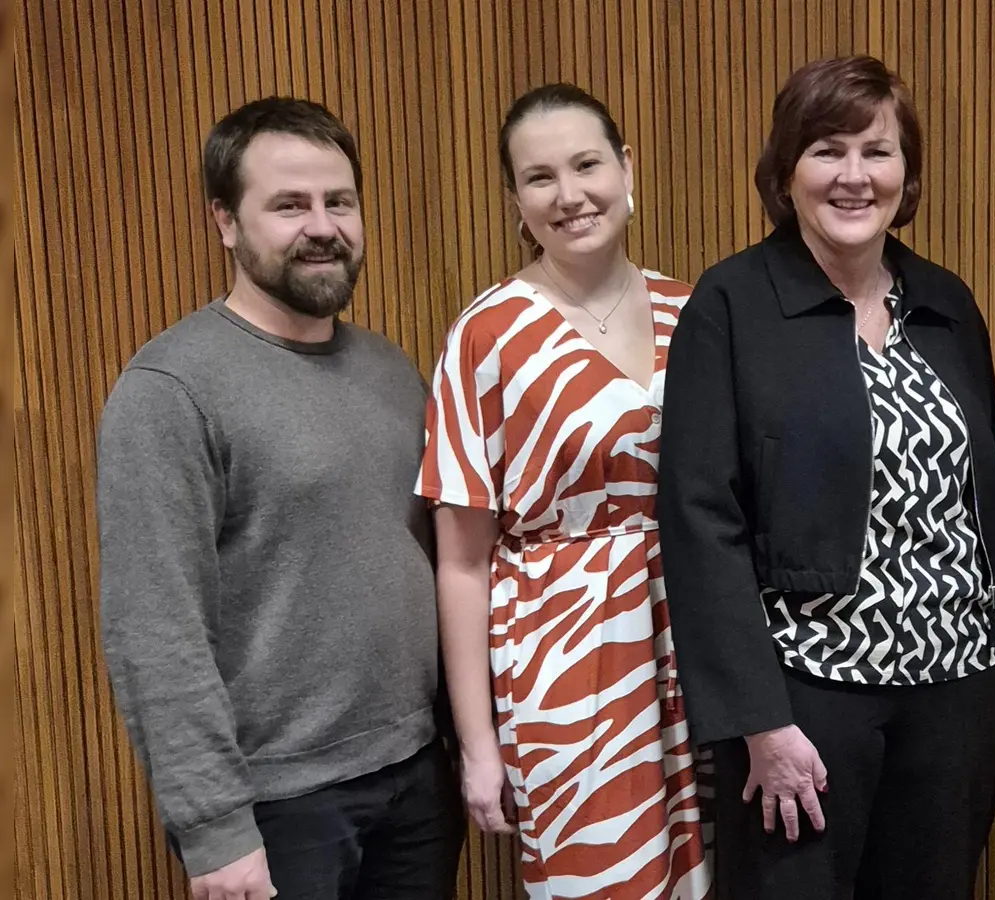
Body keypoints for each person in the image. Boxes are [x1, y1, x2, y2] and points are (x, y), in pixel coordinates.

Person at [655, 55, 995, 900]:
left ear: (906, 174)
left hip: (957, 693)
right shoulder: (732, 304)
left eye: (877, 152)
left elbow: (978, 495)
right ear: (786, 171)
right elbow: (701, 519)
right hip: (808, 701)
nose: (854, 175)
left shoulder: (948, 304)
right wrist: (760, 722)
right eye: (826, 149)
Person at [95, 97, 464, 900]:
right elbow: (153, 628)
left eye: (340, 201)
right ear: (225, 222)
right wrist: (213, 833)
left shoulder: (391, 370)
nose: (322, 225)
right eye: (289, 205)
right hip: (277, 807)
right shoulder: (170, 389)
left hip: (416, 780)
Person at [417, 83, 711, 900]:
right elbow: (462, 563)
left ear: (627, 168)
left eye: (587, 165)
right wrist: (479, 747)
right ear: (514, 200)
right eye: (539, 177)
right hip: (564, 666)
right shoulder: (487, 335)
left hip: (695, 651)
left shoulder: (694, 312)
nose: (570, 194)